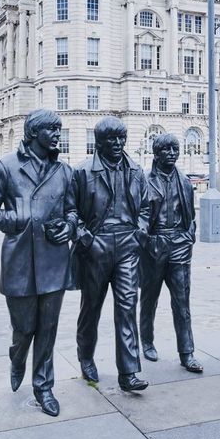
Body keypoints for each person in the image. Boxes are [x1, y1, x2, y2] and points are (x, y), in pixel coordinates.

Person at [0, 109, 76, 417]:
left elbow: (73, 211)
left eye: (60, 129)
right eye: (52, 130)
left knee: (48, 327)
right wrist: (16, 219)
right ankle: (17, 356)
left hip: (54, 261)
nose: (58, 135)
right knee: (25, 328)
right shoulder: (6, 166)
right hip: (19, 260)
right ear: (34, 133)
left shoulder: (64, 171)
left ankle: (43, 387)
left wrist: (69, 226)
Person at [70, 116, 150, 392]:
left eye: (121, 138)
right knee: (91, 307)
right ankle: (85, 356)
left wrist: (140, 229)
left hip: (128, 245)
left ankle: (128, 372)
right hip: (97, 246)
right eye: (111, 139)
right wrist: (85, 238)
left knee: (127, 307)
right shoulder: (82, 172)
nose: (117, 144)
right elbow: (71, 212)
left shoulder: (137, 170)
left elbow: (147, 208)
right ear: (99, 142)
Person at [139, 134, 203, 373]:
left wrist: (188, 236)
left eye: (175, 149)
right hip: (154, 245)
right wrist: (144, 238)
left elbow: (190, 217)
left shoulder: (185, 181)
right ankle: (146, 340)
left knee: (182, 302)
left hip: (179, 245)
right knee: (149, 298)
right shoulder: (145, 181)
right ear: (156, 153)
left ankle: (187, 352)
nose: (172, 153)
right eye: (166, 149)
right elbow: (140, 214)